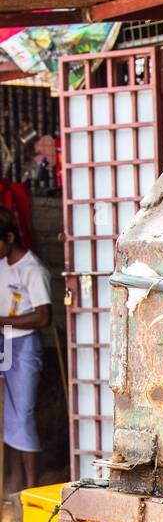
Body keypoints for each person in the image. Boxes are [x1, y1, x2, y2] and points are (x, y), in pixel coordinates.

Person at [0, 207, 51, 491]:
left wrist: (2, 320)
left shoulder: (33, 269)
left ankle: (31, 488)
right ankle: (15, 483)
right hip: (5, 340)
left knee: (24, 413)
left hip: (25, 344)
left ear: (9, 237)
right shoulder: (2, 264)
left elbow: (44, 317)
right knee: (7, 413)